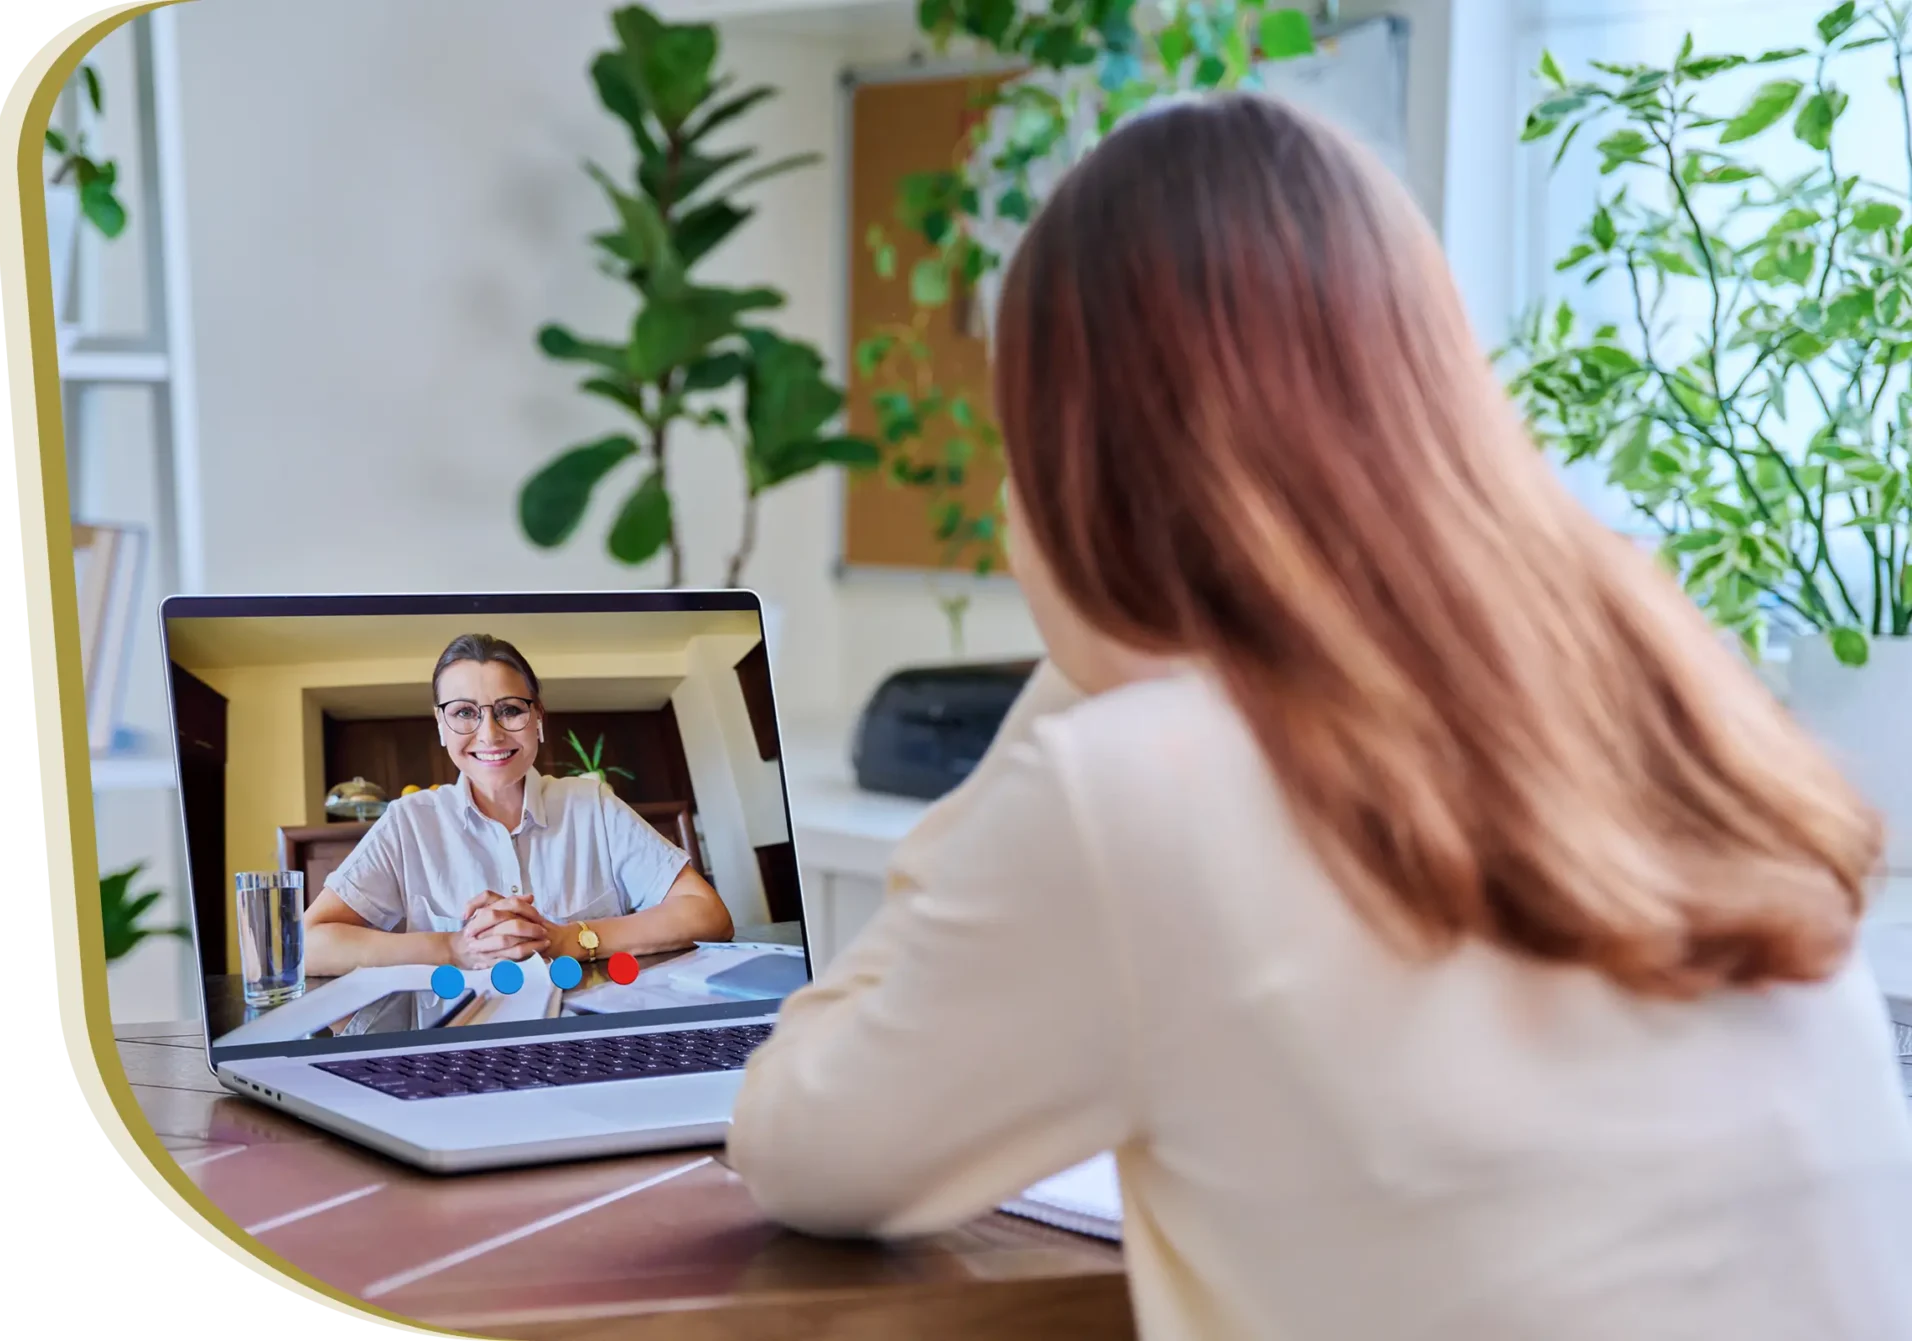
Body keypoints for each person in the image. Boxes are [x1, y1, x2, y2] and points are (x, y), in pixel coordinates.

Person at [726, 94, 1912, 1339]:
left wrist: (1092, 655)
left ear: (1088, 469)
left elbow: (805, 1142)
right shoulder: (1675, 706)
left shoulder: (1142, 785)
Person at [303, 633, 733, 976]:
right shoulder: (408, 822)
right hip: (455, 1054)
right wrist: (454, 946)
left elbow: (707, 913)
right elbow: (308, 944)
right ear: (441, 725)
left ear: (538, 718)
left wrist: (570, 939)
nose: (489, 734)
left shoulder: (592, 806)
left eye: (509, 709)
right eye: (465, 712)